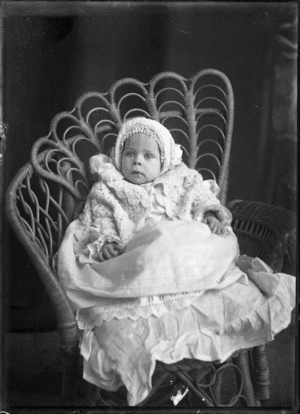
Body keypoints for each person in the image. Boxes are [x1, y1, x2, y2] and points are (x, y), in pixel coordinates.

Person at [57, 117, 295, 406]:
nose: (137, 163)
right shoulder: (109, 188)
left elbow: (200, 196)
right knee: (157, 245)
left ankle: (189, 283)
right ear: (119, 157)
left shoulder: (179, 179)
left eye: (148, 156)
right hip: (141, 255)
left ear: (164, 160)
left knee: (208, 241)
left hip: (182, 251)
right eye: (130, 155)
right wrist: (106, 242)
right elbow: (99, 220)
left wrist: (209, 213)